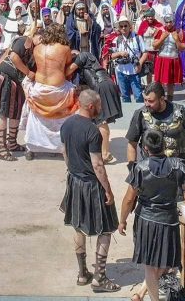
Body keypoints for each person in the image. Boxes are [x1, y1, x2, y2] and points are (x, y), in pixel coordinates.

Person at [119, 128, 185, 301]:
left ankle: (148, 295)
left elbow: (129, 199)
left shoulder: (139, 168)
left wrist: (122, 221)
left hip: (146, 220)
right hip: (169, 219)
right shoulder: (178, 165)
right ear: (164, 145)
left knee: (152, 266)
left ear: (145, 148)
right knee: (165, 263)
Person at [59, 89, 119, 293]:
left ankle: (83, 274)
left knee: (78, 227)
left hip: (74, 182)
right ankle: (100, 278)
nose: (101, 108)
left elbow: (64, 152)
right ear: (91, 106)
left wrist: (73, 171)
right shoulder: (93, 131)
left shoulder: (67, 124)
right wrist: (108, 190)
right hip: (92, 186)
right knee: (106, 230)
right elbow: (98, 165)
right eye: (100, 105)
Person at [22, 23, 78, 159]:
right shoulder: (65, 48)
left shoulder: (37, 48)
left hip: (39, 88)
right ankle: (63, 145)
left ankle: (31, 147)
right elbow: (67, 68)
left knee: (36, 117)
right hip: (58, 90)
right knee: (74, 101)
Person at [0, 20, 33, 161]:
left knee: (15, 111)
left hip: (16, 80)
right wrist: (28, 72)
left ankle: (11, 143)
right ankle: (1, 147)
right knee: (3, 112)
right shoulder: (23, 40)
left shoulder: (35, 46)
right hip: (4, 77)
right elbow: (13, 56)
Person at [72, 51, 122, 164]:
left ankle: (104, 154)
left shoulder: (82, 56)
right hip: (106, 83)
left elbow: (68, 70)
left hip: (101, 86)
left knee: (101, 121)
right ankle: (103, 151)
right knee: (100, 120)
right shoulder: (88, 58)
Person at [111, 21, 144, 104]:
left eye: (125, 26)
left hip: (134, 71)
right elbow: (112, 55)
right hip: (121, 71)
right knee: (125, 97)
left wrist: (139, 64)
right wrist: (120, 53)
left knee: (139, 96)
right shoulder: (116, 40)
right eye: (121, 26)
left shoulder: (137, 37)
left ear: (130, 26)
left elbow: (145, 52)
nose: (123, 28)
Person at [151, 16, 184, 100]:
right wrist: (162, 38)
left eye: (171, 22)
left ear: (174, 22)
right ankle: (159, 99)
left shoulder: (179, 32)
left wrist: (176, 40)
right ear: (164, 22)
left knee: (171, 83)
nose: (169, 24)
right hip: (162, 58)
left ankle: (169, 101)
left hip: (173, 58)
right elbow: (154, 46)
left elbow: (183, 48)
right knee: (158, 82)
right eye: (167, 22)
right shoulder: (160, 31)